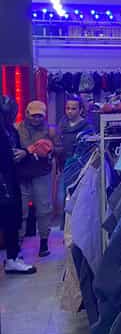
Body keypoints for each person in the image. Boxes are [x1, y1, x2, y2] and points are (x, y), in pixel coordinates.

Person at [15, 100, 58, 258]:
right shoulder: (17, 128)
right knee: (21, 211)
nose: (36, 119)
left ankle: (44, 243)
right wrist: (29, 150)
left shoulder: (50, 129)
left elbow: (60, 148)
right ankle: (17, 247)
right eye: (34, 115)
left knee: (44, 210)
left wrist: (50, 149)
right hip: (22, 175)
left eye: (40, 116)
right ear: (27, 113)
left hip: (41, 173)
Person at [0, 96, 36, 274]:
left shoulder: (10, 130)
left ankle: (12, 258)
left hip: (10, 179)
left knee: (12, 219)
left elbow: (17, 150)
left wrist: (23, 153)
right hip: (4, 179)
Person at [56, 94, 94, 169]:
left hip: (80, 166)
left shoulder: (87, 127)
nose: (69, 111)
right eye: (67, 108)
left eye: (73, 109)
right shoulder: (61, 125)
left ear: (81, 110)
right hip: (62, 165)